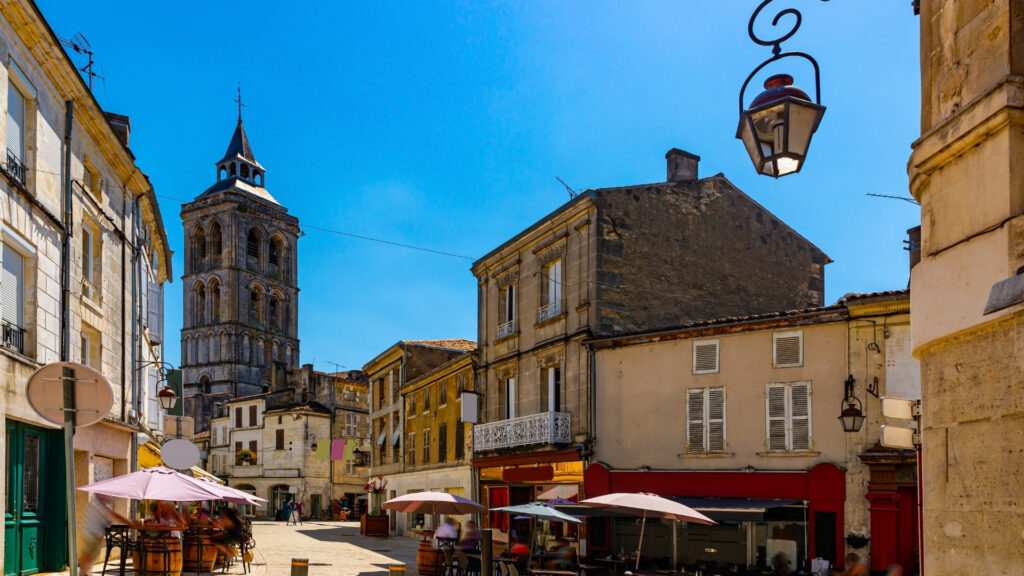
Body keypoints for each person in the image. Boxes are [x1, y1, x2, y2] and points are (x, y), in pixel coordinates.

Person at [78, 495, 137, 576]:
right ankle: (83, 573)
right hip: (92, 534)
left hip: (94, 535)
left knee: (89, 559)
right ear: (101, 496)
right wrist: (129, 522)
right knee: (87, 559)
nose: (110, 497)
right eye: (108, 496)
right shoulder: (98, 503)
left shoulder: (100, 504)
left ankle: (84, 573)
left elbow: (110, 517)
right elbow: (114, 516)